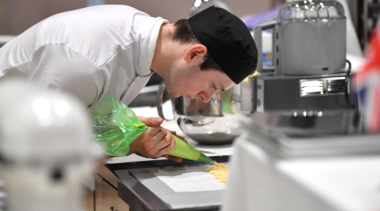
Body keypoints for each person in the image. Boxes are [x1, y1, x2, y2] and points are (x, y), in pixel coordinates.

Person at [0, 5, 257, 161]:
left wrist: (128, 131)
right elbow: (40, 150)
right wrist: (126, 145)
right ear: (194, 54)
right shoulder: (85, 60)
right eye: (213, 86)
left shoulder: (146, 46)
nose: (206, 98)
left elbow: (81, 113)